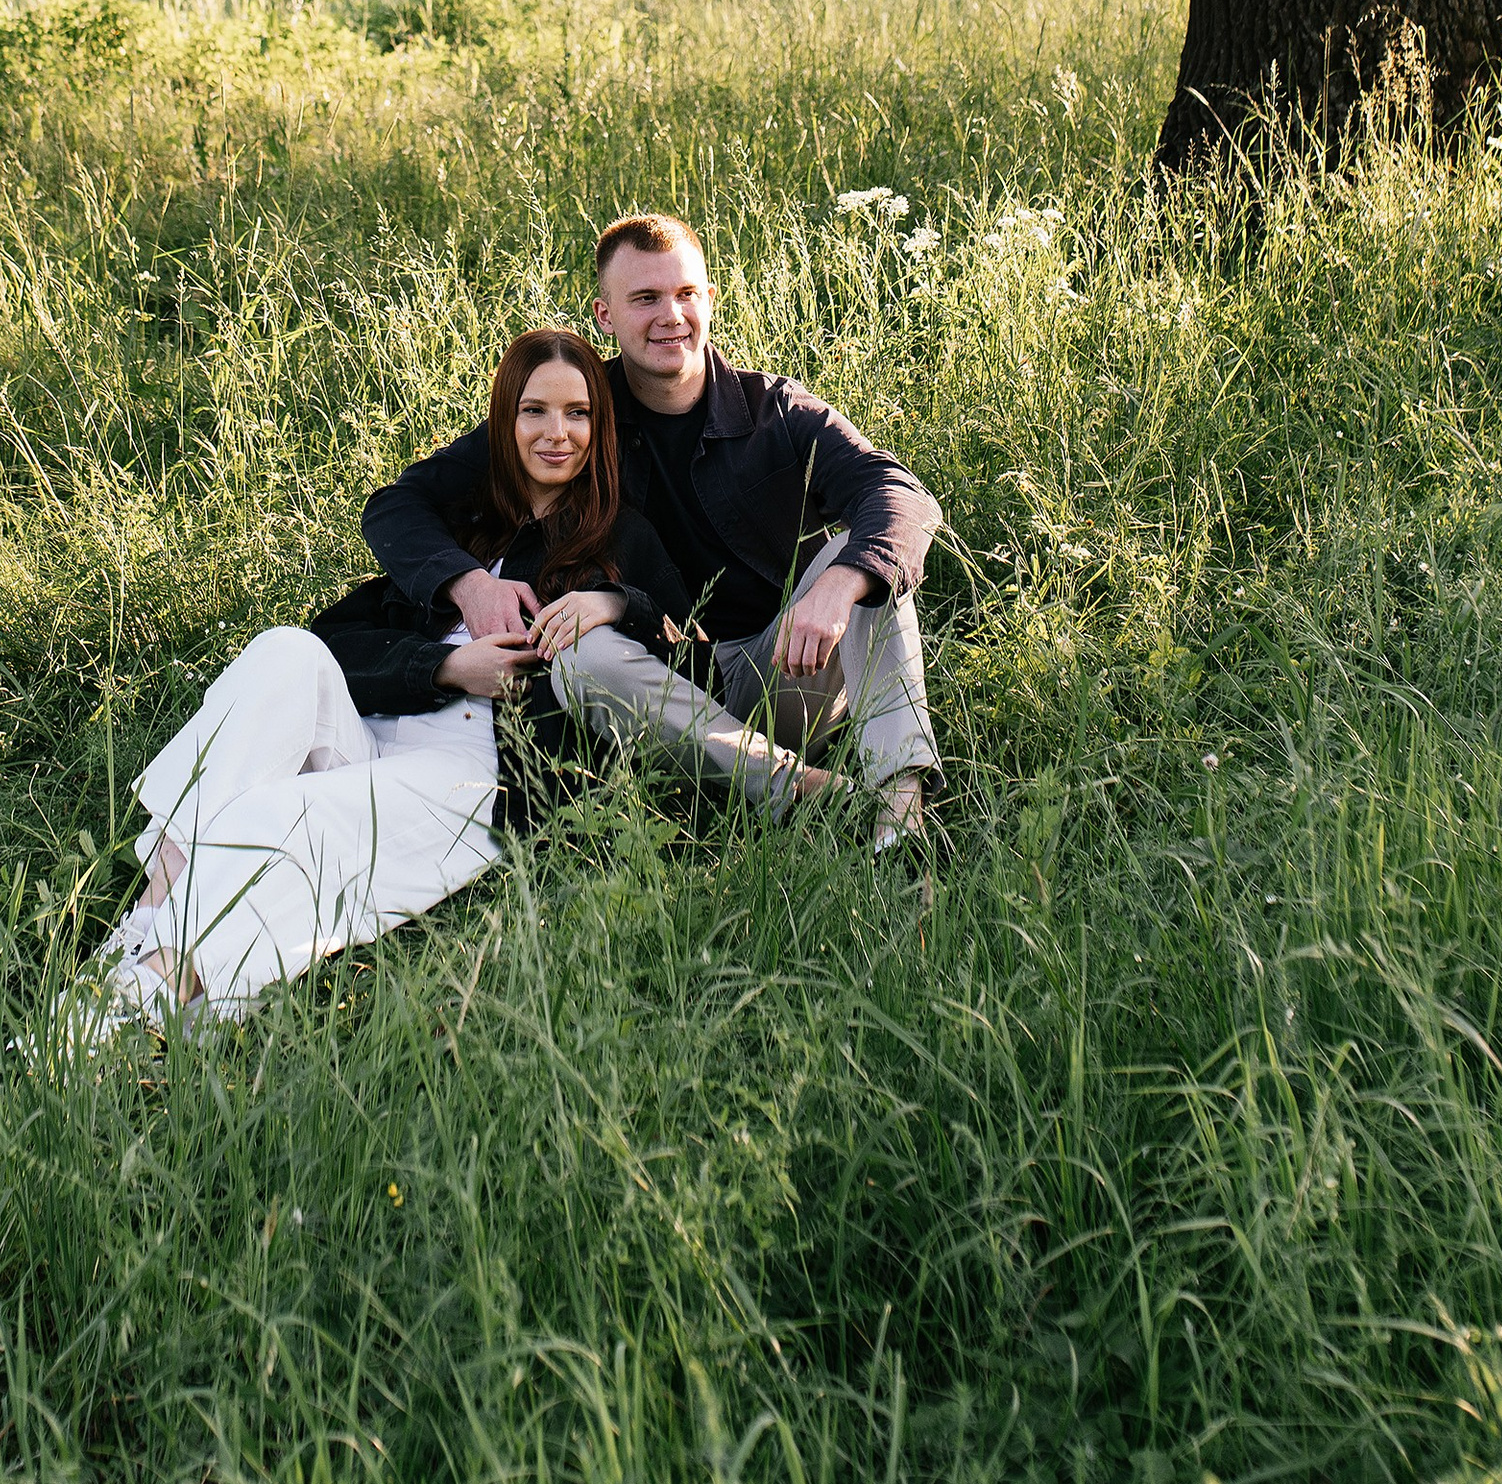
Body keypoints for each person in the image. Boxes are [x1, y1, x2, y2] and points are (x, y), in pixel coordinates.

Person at [92, 330, 718, 1026]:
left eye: (578, 413)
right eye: (534, 410)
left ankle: (141, 999)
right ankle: (156, 902)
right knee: (283, 651)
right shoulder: (466, 531)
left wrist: (614, 602)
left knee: (287, 817)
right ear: (503, 422)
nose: (556, 433)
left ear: (600, 426)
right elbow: (337, 643)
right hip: (380, 723)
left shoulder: (621, 536)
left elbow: (689, 663)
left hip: (479, 767)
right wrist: (446, 663)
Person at [363, 212, 941, 855]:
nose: (671, 315)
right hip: (654, 687)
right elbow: (399, 504)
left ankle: (900, 812)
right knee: (581, 655)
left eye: (686, 293)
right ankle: (803, 792)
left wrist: (837, 586)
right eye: (645, 298)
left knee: (864, 558)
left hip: (780, 669)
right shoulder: (577, 410)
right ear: (605, 315)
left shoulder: (775, 409)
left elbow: (900, 495)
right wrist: (465, 583)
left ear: (710, 301)